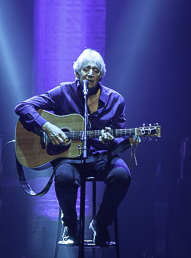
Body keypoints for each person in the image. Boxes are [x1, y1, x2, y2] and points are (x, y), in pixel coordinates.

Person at [15, 49, 137, 247]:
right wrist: (48, 126)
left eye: (95, 70)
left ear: (101, 74)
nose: (90, 73)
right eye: (85, 69)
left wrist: (110, 141)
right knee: (63, 177)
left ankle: (100, 223)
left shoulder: (116, 101)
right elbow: (22, 107)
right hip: (69, 159)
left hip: (102, 158)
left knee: (122, 175)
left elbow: (118, 138)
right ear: (77, 73)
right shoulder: (64, 92)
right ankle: (71, 226)